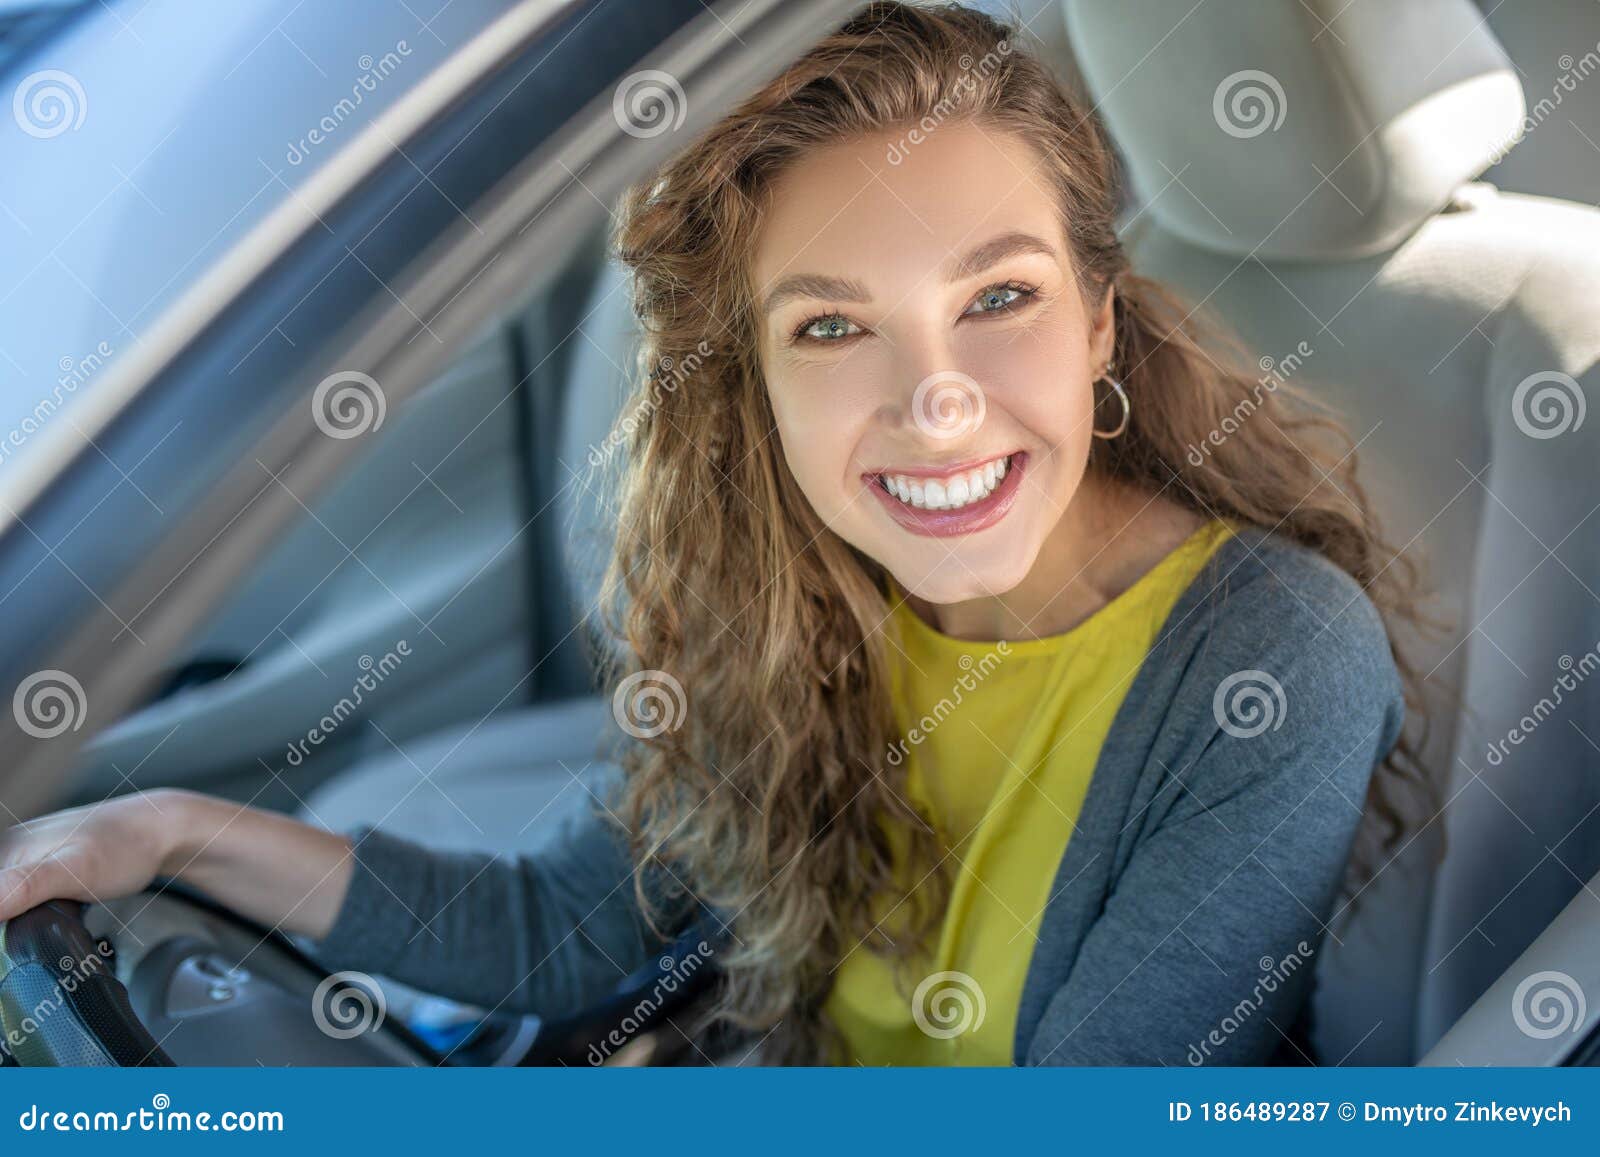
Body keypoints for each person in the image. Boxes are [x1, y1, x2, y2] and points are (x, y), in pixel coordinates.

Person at [0, 2, 1428, 1065]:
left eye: (999, 299)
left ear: (1100, 320)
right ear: (754, 388)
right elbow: (558, 930)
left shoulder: (1271, 660)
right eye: (830, 327)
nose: (936, 406)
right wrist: (163, 829)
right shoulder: (798, 593)